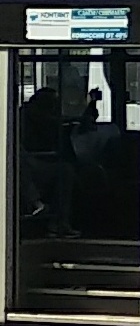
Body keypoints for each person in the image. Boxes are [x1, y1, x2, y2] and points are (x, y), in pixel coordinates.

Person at [19, 88, 79, 238]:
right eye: (52, 103)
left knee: (66, 170)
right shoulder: (25, 116)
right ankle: (39, 206)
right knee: (65, 171)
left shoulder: (39, 116)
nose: (54, 108)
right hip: (27, 163)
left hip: (37, 161)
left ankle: (58, 222)